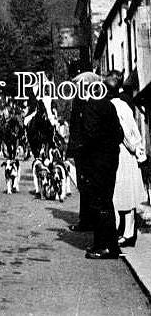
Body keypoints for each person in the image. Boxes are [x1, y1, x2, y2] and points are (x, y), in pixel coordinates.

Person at [80, 72, 124, 259]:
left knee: (98, 203)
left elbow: (89, 136)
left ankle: (104, 246)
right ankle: (109, 244)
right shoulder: (109, 106)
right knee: (106, 201)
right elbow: (119, 135)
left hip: (96, 162)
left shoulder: (92, 106)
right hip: (110, 160)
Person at [107, 71, 147, 249]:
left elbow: (127, 132)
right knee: (124, 193)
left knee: (125, 193)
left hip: (124, 154)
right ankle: (126, 231)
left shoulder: (118, 107)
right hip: (121, 152)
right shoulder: (118, 105)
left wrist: (135, 149)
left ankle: (129, 233)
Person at [66, 72, 96, 232]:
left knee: (87, 185)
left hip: (87, 152)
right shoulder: (79, 101)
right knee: (83, 185)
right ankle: (86, 219)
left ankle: (87, 220)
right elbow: (73, 128)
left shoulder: (87, 103)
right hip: (81, 152)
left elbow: (78, 128)